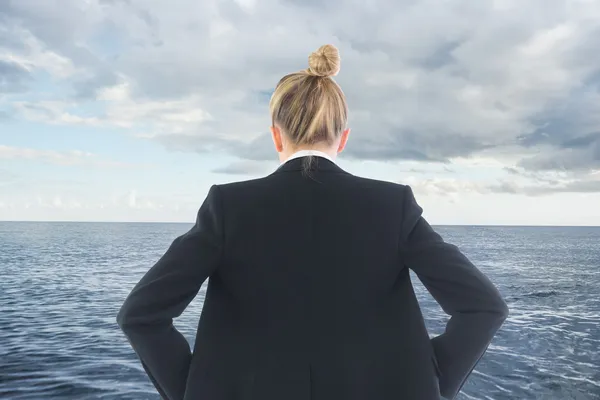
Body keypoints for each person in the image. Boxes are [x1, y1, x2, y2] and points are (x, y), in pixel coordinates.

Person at [117, 44, 509, 400]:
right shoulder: (393, 205)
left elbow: (141, 315)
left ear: (275, 136)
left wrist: (195, 390)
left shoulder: (228, 206)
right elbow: (483, 307)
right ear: (343, 138)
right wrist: (426, 383)